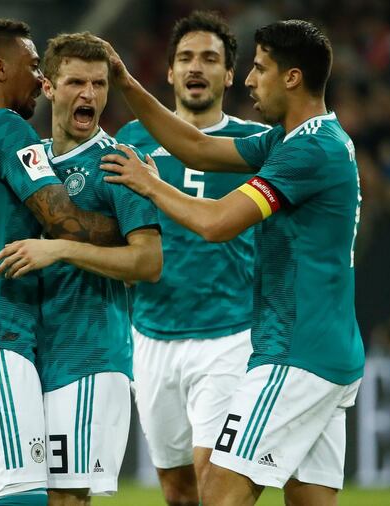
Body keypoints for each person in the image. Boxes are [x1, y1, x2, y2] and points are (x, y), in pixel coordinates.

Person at [99, 20, 365, 505]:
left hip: (294, 353)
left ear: (291, 78)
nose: (248, 80)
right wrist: (125, 82)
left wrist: (149, 183)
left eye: (259, 68)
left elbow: (217, 223)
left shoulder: (309, 152)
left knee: (218, 487)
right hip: (330, 353)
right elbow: (196, 147)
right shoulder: (299, 139)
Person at [0, 19, 124, 506]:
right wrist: (134, 222)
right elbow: (64, 221)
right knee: (26, 491)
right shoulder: (4, 126)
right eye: (32, 65)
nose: (39, 78)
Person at [0, 33, 162, 505]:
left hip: (88, 357)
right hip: (28, 357)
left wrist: (62, 250)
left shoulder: (118, 165)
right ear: (48, 87)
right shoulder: (31, 159)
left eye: (99, 84)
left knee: (67, 499)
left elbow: (147, 262)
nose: (89, 95)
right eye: (75, 82)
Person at [114, 12, 267, 505]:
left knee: (214, 478)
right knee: (177, 490)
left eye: (209, 58)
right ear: (170, 73)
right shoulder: (132, 141)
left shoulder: (253, 143)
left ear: (228, 75)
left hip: (229, 337)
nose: (195, 67)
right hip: (152, 337)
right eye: (185, 58)